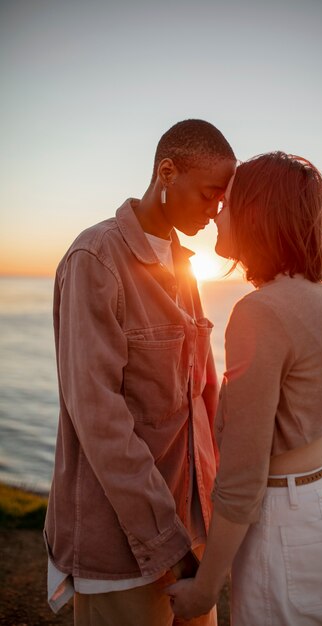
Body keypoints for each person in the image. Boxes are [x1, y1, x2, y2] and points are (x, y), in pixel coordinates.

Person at [44, 119, 236, 626]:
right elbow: (99, 417)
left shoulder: (185, 267)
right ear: (166, 172)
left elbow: (204, 397)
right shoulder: (95, 259)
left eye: (224, 199)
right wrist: (165, 543)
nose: (216, 210)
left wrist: (218, 515)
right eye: (209, 193)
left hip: (192, 528)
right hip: (125, 546)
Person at [168, 152, 322, 626]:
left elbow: (244, 472)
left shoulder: (260, 311)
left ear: (257, 214)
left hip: (286, 521)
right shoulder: (319, 298)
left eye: (227, 202)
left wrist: (205, 589)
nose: (216, 211)